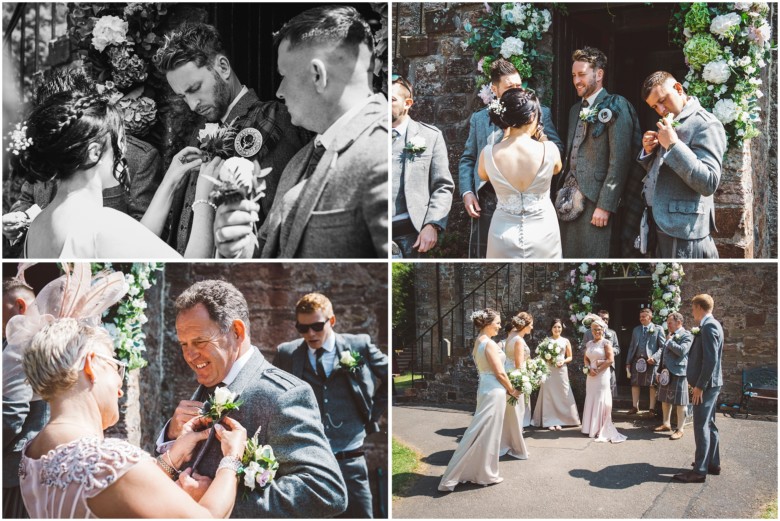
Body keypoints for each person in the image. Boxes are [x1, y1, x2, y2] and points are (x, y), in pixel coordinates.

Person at [8, 264, 247, 518]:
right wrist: (231, 460)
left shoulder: (32, 453)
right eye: (115, 366)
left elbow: (113, 492)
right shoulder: (107, 458)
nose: (120, 389)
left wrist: (173, 456)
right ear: (91, 365)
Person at [156, 280, 347, 517]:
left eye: (199, 342)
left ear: (236, 332)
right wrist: (172, 435)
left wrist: (215, 501)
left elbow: (325, 492)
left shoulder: (283, 395)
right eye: (184, 344)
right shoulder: (211, 379)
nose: (190, 355)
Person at [213, 6, 388, 258]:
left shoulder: (381, 151)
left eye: (283, 75)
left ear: (318, 75)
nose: (279, 91)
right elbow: (268, 251)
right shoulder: (299, 161)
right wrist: (236, 245)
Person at [153, 22, 311, 255]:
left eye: (195, 88)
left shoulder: (274, 119)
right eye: (183, 96)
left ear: (223, 67)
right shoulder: (199, 133)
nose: (192, 104)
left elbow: (275, 223)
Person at [16, 91, 220, 258]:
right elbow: (190, 266)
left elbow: (134, 243)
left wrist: (171, 179)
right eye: (121, 140)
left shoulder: (36, 226)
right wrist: (204, 198)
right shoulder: (101, 223)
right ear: (94, 153)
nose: (124, 150)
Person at [275, 293, 388, 518]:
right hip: (308, 461)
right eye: (303, 328)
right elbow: (272, 392)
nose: (311, 334)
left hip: (350, 456)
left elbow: (388, 378)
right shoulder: (288, 354)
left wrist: (371, 416)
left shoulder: (359, 345)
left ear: (332, 321)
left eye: (317, 326)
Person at [459, 58, 563, 258]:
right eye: (510, 87)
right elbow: (468, 158)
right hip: (488, 203)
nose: (517, 90)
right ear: (494, 89)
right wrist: (467, 192)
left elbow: (556, 148)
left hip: (533, 207)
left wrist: (537, 138)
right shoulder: (479, 119)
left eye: (519, 85)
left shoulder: (538, 112)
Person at [559, 47, 641, 258]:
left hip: (597, 200)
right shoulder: (573, 111)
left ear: (599, 74)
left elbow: (620, 160)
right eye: (574, 75)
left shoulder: (616, 105)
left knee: (594, 255)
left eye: (582, 74)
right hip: (569, 200)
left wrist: (605, 205)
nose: (577, 80)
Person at [638, 71, 727, 258]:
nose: (661, 110)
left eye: (662, 100)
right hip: (658, 224)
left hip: (684, 229)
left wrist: (673, 145)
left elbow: (709, 182)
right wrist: (648, 151)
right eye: (655, 106)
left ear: (678, 88)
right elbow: (665, 173)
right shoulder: (670, 121)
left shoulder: (707, 124)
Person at [439, 309, 521, 491]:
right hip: (494, 391)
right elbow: (499, 372)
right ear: (487, 324)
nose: (500, 326)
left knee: (483, 431)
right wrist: (512, 390)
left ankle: (480, 471)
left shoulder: (478, 342)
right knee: (486, 432)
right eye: (498, 323)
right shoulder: (489, 344)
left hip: (486, 387)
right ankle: (477, 473)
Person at [479, 88, 563, 258]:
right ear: (532, 116)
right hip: (544, 232)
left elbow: (483, 176)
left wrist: (505, 135)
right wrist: (542, 137)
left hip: (502, 235)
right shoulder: (550, 149)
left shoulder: (488, 153)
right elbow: (556, 169)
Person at [391, 75, 453, 257]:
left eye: (392, 100)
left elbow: (443, 186)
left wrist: (432, 224)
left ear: (407, 103)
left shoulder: (431, 136)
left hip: (411, 235)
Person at [2, 276, 46, 518]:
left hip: (13, 471)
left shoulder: (23, 342)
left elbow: (11, 414)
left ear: (20, 306)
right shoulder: (50, 335)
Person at [673, 294, 724, 483]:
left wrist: (700, 386)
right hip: (713, 384)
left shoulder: (709, 326)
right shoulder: (714, 324)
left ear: (700, 307)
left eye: (693, 307)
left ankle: (700, 470)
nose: (692, 311)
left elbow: (711, 360)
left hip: (707, 385)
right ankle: (712, 463)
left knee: (701, 425)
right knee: (710, 423)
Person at [581, 314, 626, 443]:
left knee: (601, 399)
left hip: (602, 375)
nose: (596, 332)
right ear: (591, 331)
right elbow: (585, 358)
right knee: (590, 397)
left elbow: (610, 360)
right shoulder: (589, 343)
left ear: (603, 330)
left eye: (599, 329)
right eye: (594, 329)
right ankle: (589, 427)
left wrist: (598, 370)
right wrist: (588, 368)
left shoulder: (606, 343)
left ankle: (599, 428)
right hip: (591, 376)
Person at [532, 318, 580, 431]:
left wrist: (563, 361)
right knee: (549, 394)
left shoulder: (565, 341)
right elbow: (541, 356)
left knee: (563, 393)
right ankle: (550, 421)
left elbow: (570, 356)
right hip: (549, 370)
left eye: (559, 327)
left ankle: (561, 420)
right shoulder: (546, 341)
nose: (557, 329)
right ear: (551, 328)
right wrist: (546, 359)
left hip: (561, 370)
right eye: (555, 327)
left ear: (562, 328)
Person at [655, 312, 692, 441]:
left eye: (670, 322)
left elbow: (682, 351)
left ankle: (680, 429)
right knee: (665, 399)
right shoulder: (670, 335)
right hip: (666, 372)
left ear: (679, 322)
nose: (668, 325)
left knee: (681, 402)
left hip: (679, 372)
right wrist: (659, 371)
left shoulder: (686, 334)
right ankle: (666, 423)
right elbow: (664, 354)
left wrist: (670, 341)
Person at [500, 313, 530, 459]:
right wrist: (526, 377)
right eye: (531, 324)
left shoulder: (510, 337)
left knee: (510, 413)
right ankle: (517, 447)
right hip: (516, 378)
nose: (532, 327)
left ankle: (507, 443)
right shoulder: (518, 339)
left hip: (507, 374)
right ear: (525, 325)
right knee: (517, 412)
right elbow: (519, 365)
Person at [625, 308, 665, 415]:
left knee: (652, 385)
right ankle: (635, 407)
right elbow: (632, 346)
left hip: (651, 362)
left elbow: (662, 347)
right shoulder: (636, 329)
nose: (641, 318)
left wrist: (655, 358)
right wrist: (628, 361)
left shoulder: (658, 329)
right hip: (637, 360)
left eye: (644, 316)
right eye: (640, 316)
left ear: (650, 317)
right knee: (635, 383)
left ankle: (651, 409)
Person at [580, 310, 620, 396]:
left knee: (609, 391)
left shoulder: (612, 333)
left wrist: (607, 351)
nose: (605, 321)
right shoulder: (588, 333)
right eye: (603, 318)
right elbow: (583, 348)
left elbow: (617, 348)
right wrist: (593, 352)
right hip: (593, 366)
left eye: (607, 319)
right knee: (594, 391)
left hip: (608, 365)